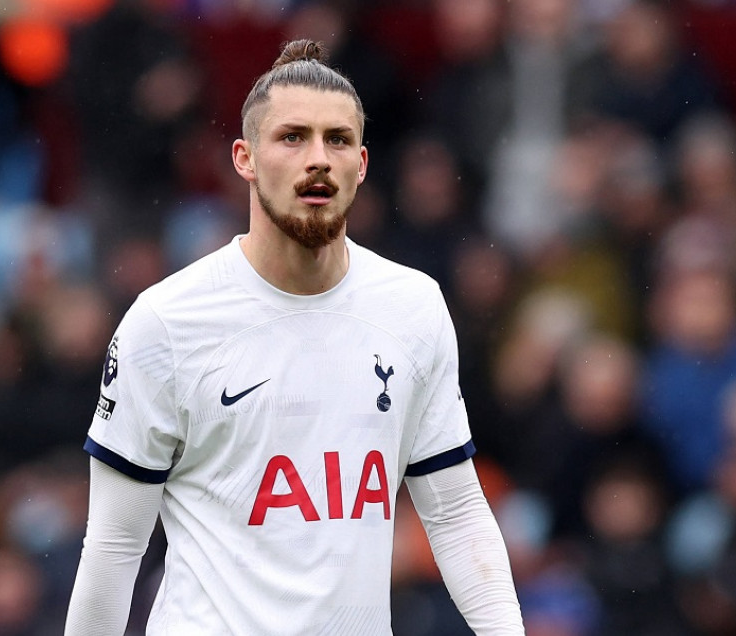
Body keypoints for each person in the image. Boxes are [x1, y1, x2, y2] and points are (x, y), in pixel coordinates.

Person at [64, 39, 524, 635]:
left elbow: (457, 514)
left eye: (337, 140)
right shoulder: (167, 322)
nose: (318, 159)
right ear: (244, 158)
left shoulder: (413, 308)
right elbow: (112, 549)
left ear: (361, 164)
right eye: (292, 137)